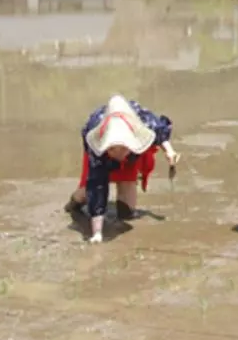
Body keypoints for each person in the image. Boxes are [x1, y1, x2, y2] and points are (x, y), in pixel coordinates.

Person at [66, 95, 179, 244]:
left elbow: (159, 131)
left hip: (131, 156)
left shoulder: (144, 122)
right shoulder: (97, 139)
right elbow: (98, 186)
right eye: (113, 148)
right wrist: (97, 233)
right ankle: (72, 204)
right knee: (90, 193)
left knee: (127, 212)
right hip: (102, 156)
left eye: (122, 148)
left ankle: (122, 203)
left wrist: (169, 151)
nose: (118, 153)